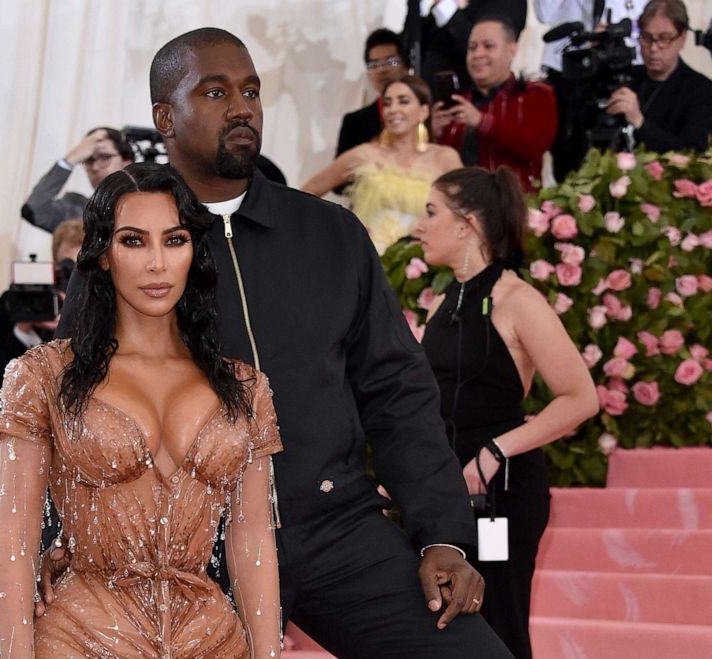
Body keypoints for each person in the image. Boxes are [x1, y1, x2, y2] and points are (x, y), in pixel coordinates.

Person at [54, 28, 513, 658]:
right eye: (215, 92)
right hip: (187, 552)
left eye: (250, 90)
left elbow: (396, 389)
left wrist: (444, 535)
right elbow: (69, 401)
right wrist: (66, 544)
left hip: (336, 529)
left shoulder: (330, 234)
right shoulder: (130, 244)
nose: (242, 107)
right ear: (165, 117)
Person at [0, 162, 283, 657]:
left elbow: (252, 539)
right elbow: (15, 538)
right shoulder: (44, 375)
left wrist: (267, 655)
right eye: (133, 241)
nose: (156, 263)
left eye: (174, 240)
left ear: (194, 250)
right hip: (82, 638)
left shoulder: (244, 387)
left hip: (211, 639)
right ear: (102, 254)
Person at [415, 166, 599, 659]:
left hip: (503, 496)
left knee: (498, 623)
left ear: (467, 224)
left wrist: (496, 450)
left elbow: (581, 398)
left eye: (431, 212)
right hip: (447, 492)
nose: (418, 225)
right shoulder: (440, 304)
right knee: (439, 627)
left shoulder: (518, 300)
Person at [303, 75, 462, 252]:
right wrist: (338, 231)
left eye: (403, 101)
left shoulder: (445, 158)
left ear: (424, 111)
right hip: (368, 257)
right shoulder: (365, 154)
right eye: (387, 103)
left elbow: (464, 211)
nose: (393, 109)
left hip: (421, 263)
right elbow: (308, 191)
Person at [432, 18, 557, 193]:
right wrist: (434, 135)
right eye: (472, 47)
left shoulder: (535, 95)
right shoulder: (460, 102)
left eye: (488, 46)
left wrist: (481, 121)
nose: (477, 54)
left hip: (515, 208)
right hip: (459, 207)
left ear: (511, 50)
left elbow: (534, 145)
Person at [535, 0, 644, 181]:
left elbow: (647, 22)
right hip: (569, 70)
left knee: (620, 157)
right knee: (569, 162)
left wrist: (612, 36)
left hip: (618, 71)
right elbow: (545, 13)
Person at [0, 218, 84, 410]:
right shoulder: (15, 301)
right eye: (67, 267)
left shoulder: (102, 307)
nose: (72, 278)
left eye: (79, 268)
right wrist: (24, 328)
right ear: (54, 264)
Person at [605, 0, 712, 153]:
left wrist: (640, 123)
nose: (653, 48)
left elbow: (691, 154)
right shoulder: (625, 77)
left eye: (664, 39)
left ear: (682, 39)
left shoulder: (701, 89)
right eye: (647, 37)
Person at [21, 127, 134, 234]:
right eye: (89, 160)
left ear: (127, 163)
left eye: (105, 157)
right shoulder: (77, 212)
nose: (95, 167)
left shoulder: (144, 206)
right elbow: (34, 209)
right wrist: (72, 158)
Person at [406, 0, 527, 90]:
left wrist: (442, 5)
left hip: (478, 102)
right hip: (430, 101)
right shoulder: (436, 9)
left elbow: (477, 42)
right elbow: (407, 51)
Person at [334, 28, 409, 158]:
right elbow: (340, 175)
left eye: (391, 61)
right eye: (374, 64)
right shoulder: (354, 123)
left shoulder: (427, 113)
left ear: (406, 67)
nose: (382, 69)